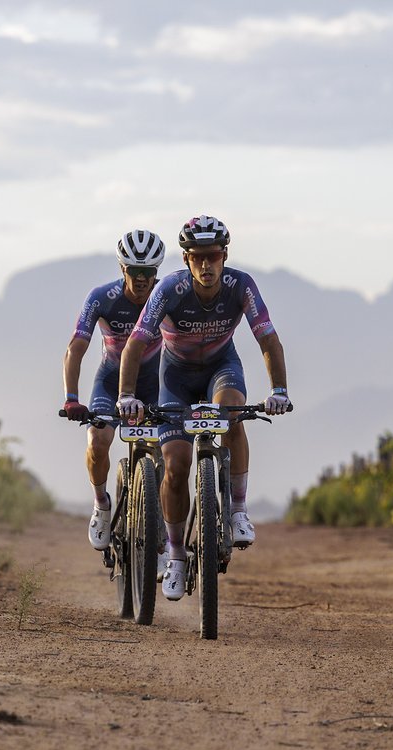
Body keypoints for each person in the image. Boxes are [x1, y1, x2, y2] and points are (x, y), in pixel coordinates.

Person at [117, 215, 290, 601]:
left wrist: (279, 389)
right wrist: (127, 394)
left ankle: (238, 510)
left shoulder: (241, 285)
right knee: (176, 467)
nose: (207, 265)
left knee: (232, 413)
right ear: (186, 258)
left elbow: (268, 339)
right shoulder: (170, 289)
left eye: (213, 256)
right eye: (198, 258)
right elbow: (134, 345)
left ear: (224, 255)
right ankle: (177, 554)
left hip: (220, 369)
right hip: (174, 378)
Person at [63, 230, 166, 551]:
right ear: (122, 269)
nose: (141, 280)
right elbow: (76, 348)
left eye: (148, 273)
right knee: (98, 440)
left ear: (156, 273)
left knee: (167, 453)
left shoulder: (165, 298)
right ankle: (101, 505)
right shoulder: (101, 297)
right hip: (109, 382)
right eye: (134, 272)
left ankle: (157, 529)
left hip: (155, 385)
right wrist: (71, 398)